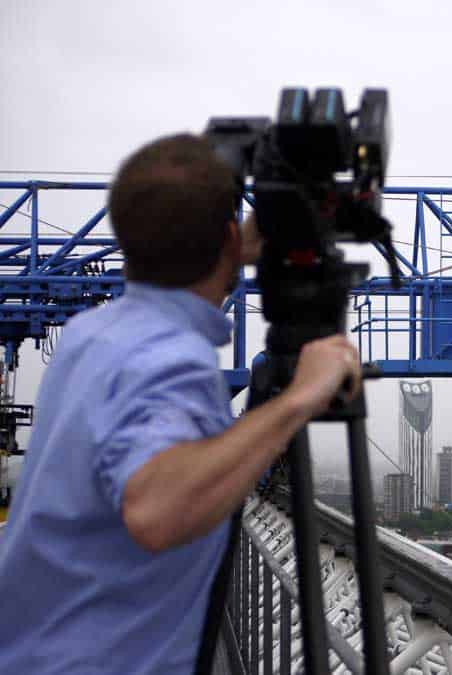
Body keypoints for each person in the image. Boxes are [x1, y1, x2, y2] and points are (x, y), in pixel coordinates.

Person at [0, 134, 362, 674]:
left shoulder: (90, 335)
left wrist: (233, 242)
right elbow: (156, 510)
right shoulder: (171, 359)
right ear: (223, 239)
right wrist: (300, 398)